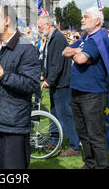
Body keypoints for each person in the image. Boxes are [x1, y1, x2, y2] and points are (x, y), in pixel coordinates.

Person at [0, 5, 41, 169]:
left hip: (13, 124)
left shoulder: (26, 47)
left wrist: (2, 74)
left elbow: (32, 84)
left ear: (6, 21)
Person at [62, 7, 109, 169]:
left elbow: (81, 59)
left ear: (97, 21)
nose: (82, 19)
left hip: (93, 93)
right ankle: (90, 165)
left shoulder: (99, 36)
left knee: (95, 134)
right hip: (77, 91)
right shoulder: (86, 38)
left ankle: (102, 166)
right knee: (83, 132)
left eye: (86, 17)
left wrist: (77, 52)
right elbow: (65, 51)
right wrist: (77, 50)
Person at [37, 14, 80, 157]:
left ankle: (75, 146)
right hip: (57, 82)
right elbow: (49, 61)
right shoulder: (52, 38)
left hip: (62, 83)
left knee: (65, 115)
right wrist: (45, 75)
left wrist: (49, 80)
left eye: (40, 27)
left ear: (48, 25)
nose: (39, 30)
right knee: (54, 114)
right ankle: (54, 141)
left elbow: (58, 63)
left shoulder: (58, 38)